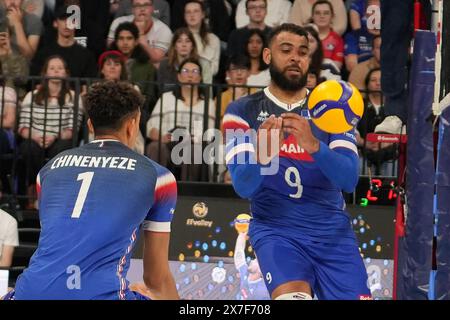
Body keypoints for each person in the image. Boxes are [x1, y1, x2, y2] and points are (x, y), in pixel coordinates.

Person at [223, 23, 370, 300]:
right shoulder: (241, 111)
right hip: (277, 231)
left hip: (332, 233)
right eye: (286, 50)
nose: (296, 57)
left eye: (303, 52)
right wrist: (263, 157)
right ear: (267, 56)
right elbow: (243, 186)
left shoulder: (331, 108)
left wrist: (314, 146)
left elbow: (349, 179)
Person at [4, 81, 180, 300]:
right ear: (132, 125)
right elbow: (156, 277)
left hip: (31, 292)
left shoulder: (48, 170)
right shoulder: (159, 177)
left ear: (89, 125)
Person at [18, 55, 82, 209]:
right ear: (45, 73)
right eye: (52, 68)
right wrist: (35, 136)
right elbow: (23, 127)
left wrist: (54, 136)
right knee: (28, 148)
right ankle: (35, 186)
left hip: (59, 138)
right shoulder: (31, 96)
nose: (56, 71)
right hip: (35, 137)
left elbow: (73, 128)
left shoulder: (73, 97)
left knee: (62, 149)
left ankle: (50, 191)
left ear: (66, 73)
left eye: (60, 68)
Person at [108, 0, 173, 65]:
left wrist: (142, 39)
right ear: (132, 9)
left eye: (146, 5)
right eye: (137, 5)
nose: (142, 9)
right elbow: (110, 51)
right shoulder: (118, 23)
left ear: (152, 8)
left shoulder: (164, 30)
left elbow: (157, 60)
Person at [234, 231, 270, 300]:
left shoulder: (263, 289)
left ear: (261, 270)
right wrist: (242, 234)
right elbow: (238, 253)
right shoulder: (245, 273)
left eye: (256, 261)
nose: (252, 261)